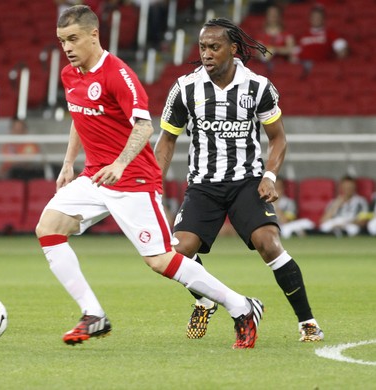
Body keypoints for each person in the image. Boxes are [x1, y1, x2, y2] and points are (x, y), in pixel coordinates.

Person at [36, 5, 264, 350]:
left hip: (133, 180)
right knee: (48, 228)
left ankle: (242, 306)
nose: (66, 47)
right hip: (95, 177)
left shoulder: (118, 74)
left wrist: (120, 164)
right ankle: (93, 314)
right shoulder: (72, 74)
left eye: (73, 39)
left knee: (160, 260)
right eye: (62, 41)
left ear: (93, 35)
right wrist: (69, 164)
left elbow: (144, 126)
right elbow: (78, 115)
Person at [155, 18, 324, 343]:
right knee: (177, 253)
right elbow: (167, 141)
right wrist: (152, 187)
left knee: (269, 244)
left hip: (246, 183)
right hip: (203, 186)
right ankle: (204, 299)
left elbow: (278, 139)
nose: (206, 53)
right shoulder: (185, 88)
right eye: (203, 47)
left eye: (214, 47)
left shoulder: (258, 87)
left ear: (233, 49)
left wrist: (270, 176)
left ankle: (308, 322)